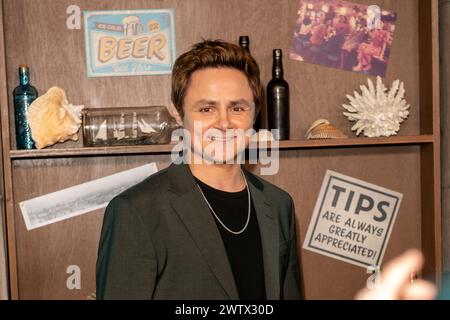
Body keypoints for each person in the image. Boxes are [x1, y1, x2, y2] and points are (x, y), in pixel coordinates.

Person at [96, 40, 302, 300]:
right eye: (207, 109)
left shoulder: (279, 204)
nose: (225, 123)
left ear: (255, 112)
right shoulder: (137, 210)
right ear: (178, 114)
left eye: (237, 108)